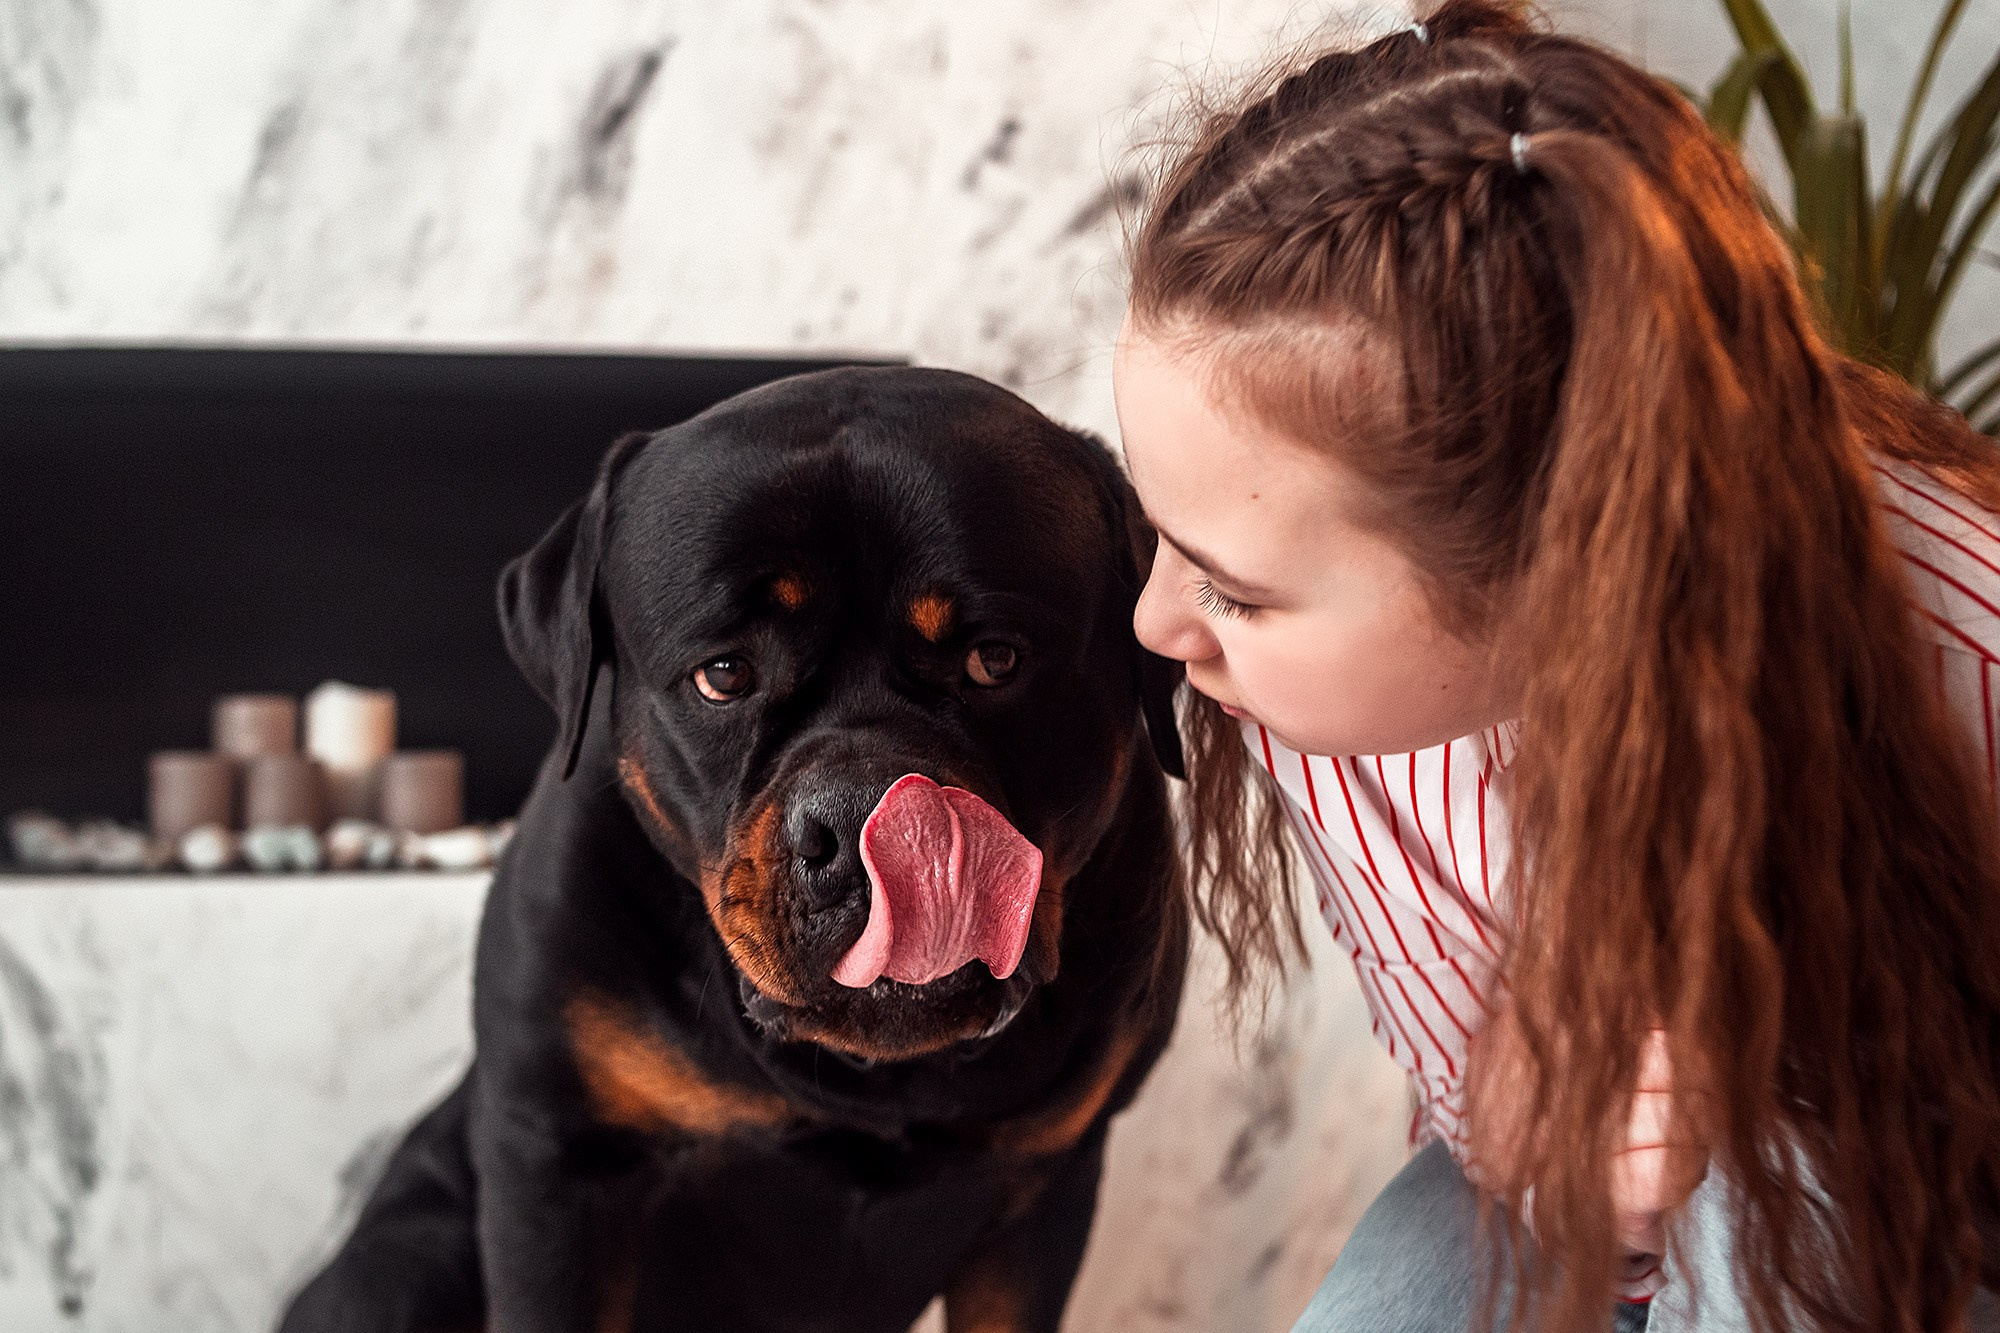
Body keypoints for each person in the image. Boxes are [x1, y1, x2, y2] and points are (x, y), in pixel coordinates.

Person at [1111, 2, 2000, 1330]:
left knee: (1793, 1204)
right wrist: (1547, 1133)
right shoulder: (1312, 683)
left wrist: (1757, 1092)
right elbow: (1502, 1138)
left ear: (1562, 571)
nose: (1156, 627)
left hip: (1928, 1199)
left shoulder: (1963, 663)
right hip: (1560, 1211)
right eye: (1164, 538)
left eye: (1235, 591)